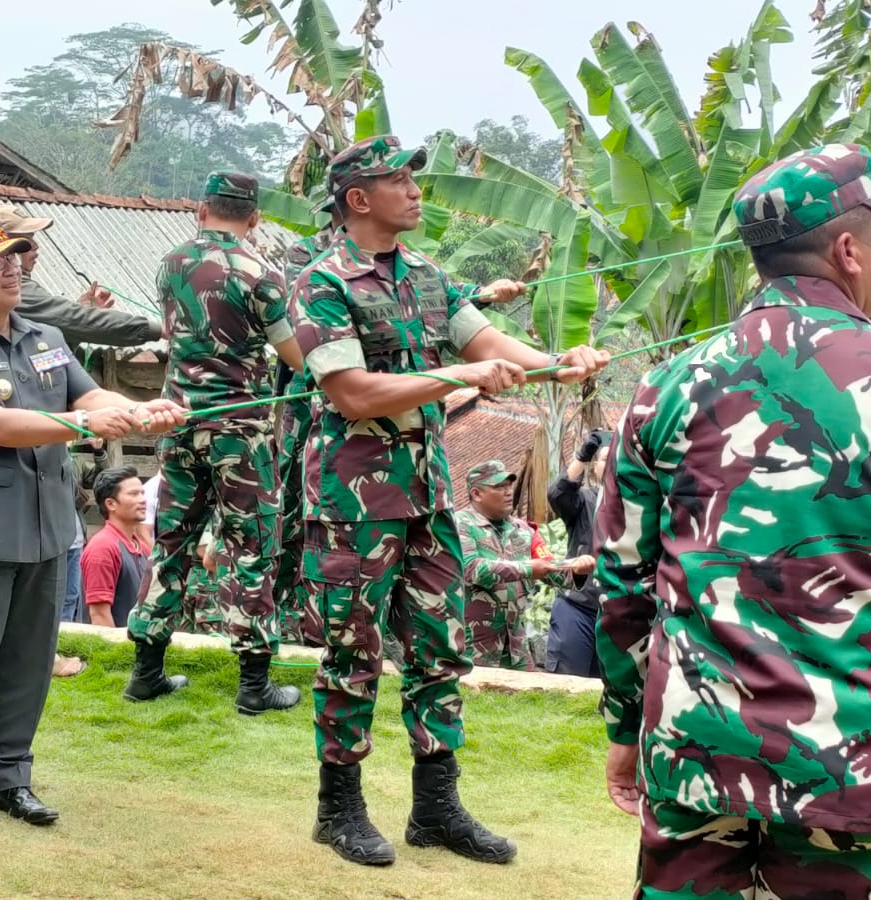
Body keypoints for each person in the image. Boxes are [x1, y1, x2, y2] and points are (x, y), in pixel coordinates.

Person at [595, 144, 871, 898]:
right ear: (849, 249)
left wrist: (626, 728)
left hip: (695, 751)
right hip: (853, 759)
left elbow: (622, 580)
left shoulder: (666, 386)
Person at [290, 135, 608, 867]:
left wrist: (561, 364)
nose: (415, 189)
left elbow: (492, 340)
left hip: (429, 496)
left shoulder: (428, 275)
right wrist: (459, 377)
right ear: (358, 199)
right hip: (354, 500)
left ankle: (436, 808)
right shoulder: (322, 283)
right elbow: (350, 391)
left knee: (440, 649)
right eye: (399, 180)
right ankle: (339, 808)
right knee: (353, 652)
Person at [0, 215, 183, 829]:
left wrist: (142, 411)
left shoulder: (45, 336)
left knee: (31, 663)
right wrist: (82, 426)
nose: (15, 268)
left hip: (46, 525)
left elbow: (88, 396)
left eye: (17, 257)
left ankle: (9, 777)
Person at [124, 171, 306, 715]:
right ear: (254, 219)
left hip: (177, 421)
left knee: (172, 542)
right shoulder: (263, 274)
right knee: (252, 549)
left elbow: (172, 329)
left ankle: (146, 673)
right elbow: (295, 355)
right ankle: (254, 686)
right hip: (240, 432)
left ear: (201, 211)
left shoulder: (171, 262)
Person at [274, 201, 345, 649]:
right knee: (291, 502)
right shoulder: (306, 256)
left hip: (353, 404)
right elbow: (299, 300)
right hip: (304, 397)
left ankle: (322, 622)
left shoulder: (392, 258)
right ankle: (279, 611)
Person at [454, 460, 586, 671]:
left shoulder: (524, 530)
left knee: (528, 699)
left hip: (517, 648)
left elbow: (551, 570)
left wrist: (577, 569)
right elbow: (472, 569)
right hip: (472, 647)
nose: (508, 492)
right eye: (499, 487)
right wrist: (527, 569)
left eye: (509, 486)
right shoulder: (459, 524)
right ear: (477, 494)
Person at [0, 205, 162, 347]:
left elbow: (57, 339)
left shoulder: (7, 288)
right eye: (25, 240)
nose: (35, 245)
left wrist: (80, 314)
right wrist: (158, 330)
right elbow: (71, 318)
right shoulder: (11, 291)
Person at [544, 428, 611, 677]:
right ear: (595, 467)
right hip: (579, 606)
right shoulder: (585, 501)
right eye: (605, 459)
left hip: (619, 611)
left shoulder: (639, 505)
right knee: (567, 682)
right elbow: (558, 494)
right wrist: (584, 454)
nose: (612, 463)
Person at [80, 466, 152, 628]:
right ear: (111, 504)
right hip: (115, 649)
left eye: (142, 493)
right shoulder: (103, 548)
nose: (143, 499)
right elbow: (99, 615)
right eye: (134, 494)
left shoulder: (142, 546)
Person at [63, 438, 109, 624]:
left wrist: (98, 451)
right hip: (51, 539)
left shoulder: (76, 462)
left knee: (72, 594)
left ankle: (63, 634)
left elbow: (103, 476)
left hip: (75, 538)